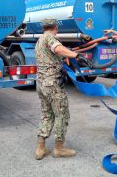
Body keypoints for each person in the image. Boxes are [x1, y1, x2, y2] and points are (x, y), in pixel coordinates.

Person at [34, 18, 92, 160]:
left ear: (43, 27)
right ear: (55, 27)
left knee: (46, 114)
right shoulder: (50, 38)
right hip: (52, 85)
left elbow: (51, 57)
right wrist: (76, 55)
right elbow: (58, 49)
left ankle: (40, 148)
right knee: (61, 115)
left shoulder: (40, 40)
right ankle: (59, 148)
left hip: (41, 83)